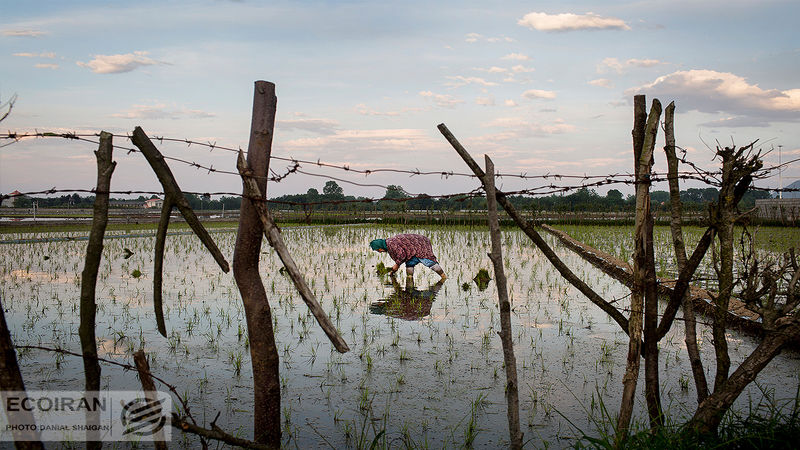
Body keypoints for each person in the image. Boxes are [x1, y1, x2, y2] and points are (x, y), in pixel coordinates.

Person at [370, 233, 447, 279]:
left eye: (378, 250)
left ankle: (444, 277)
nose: (379, 252)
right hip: (411, 250)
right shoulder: (388, 245)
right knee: (410, 264)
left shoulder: (391, 244)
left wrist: (396, 265)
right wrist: (392, 271)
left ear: (380, 246)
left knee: (428, 262)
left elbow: (402, 255)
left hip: (421, 244)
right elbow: (401, 256)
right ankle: (410, 280)